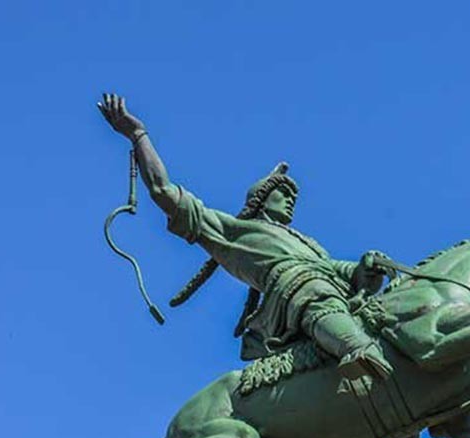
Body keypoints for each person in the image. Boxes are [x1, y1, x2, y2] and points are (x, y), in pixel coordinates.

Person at [97, 93, 394, 379]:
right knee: (315, 291)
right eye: (284, 192)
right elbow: (165, 192)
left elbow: (337, 269)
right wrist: (138, 135)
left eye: (294, 195)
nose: (291, 199)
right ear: (262, 198)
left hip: (330, 285)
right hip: (297, 292)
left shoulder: (309, 244)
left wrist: (364, 266)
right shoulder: (234, 232)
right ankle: (357, 348)